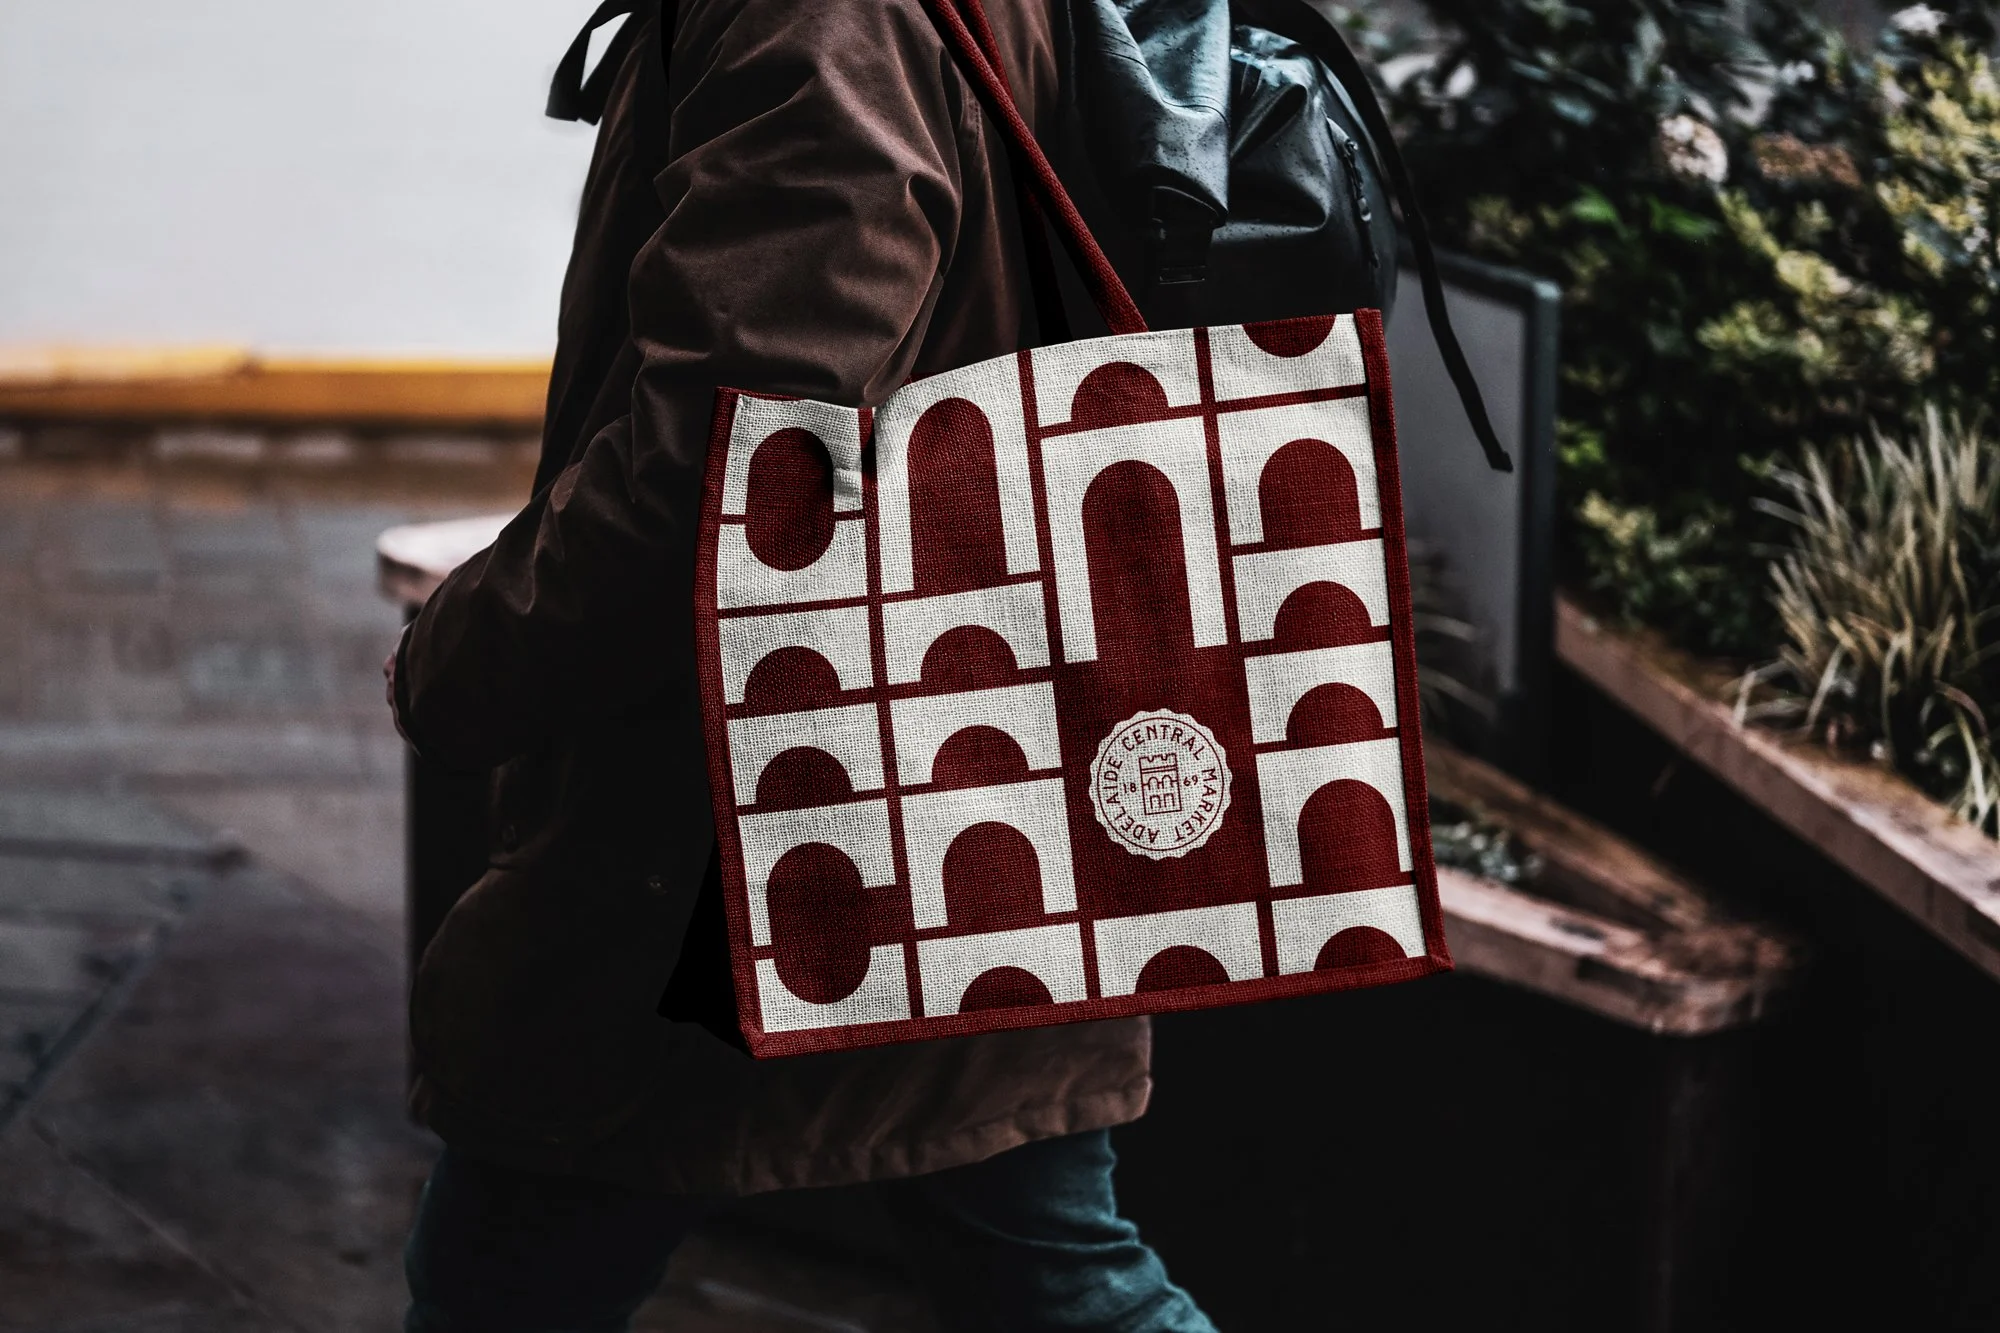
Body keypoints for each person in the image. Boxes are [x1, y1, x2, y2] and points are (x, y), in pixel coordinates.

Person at [383, 0, 1215, 1328]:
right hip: (964, 747)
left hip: (769, 795)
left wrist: (466, 656)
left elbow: (738, 449)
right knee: (1048, 1263)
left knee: (507, 1272)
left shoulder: (818, 12)